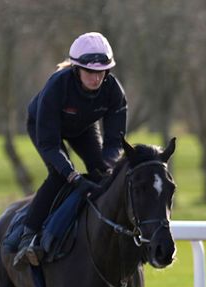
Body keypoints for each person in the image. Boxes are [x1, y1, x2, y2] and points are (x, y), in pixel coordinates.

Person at [13, 31, 128, 268]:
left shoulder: (114, 91)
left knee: (102, 173)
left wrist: (106, 169)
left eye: (102, 71)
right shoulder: (57, 86)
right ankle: (27, 236)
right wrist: (74, 177)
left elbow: (114, 143)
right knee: (59, 175)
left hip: (83, 128)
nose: (96, 78)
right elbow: (50, 145)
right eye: (90, 72)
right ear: (76, 69)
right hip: (43, 127)